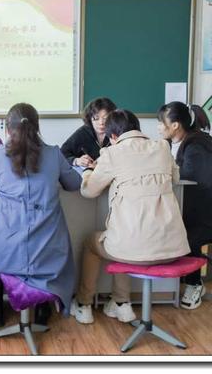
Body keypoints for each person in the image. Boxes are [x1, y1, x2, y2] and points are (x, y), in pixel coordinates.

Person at [72, 109, 190, 325]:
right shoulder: (162, 147)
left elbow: (89, 191)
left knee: (95, 242)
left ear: (113, 136)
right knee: (123, 237)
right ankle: (120, 302)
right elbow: (175, 176)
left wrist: (89, 172)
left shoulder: (111, 153)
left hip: (132, 250)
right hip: (172, 249)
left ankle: (84, 304)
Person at [0, 103, 82, 325]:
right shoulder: (54, 154)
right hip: (48, 254)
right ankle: (42, 310)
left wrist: (11, 207)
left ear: (7, 129)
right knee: (43, 262)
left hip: (4, 253)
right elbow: (74, 184)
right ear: (37, 127)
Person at [157, 101, 212, 309]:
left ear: (175, 125)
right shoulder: (179, 142)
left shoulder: (197, 145)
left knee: (184, 236)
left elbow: (194, 179)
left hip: (205, 212)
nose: (159, 127)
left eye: (162, 123)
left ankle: (194, 284)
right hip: (193, 207)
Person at [61, 97, 117, 168]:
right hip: (88, 173)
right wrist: (76, 160)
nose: (101, 122)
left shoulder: (117, 131)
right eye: (96, 118)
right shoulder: (83, 132)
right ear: (90, 119)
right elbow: (62, 153)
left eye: (105, 118)